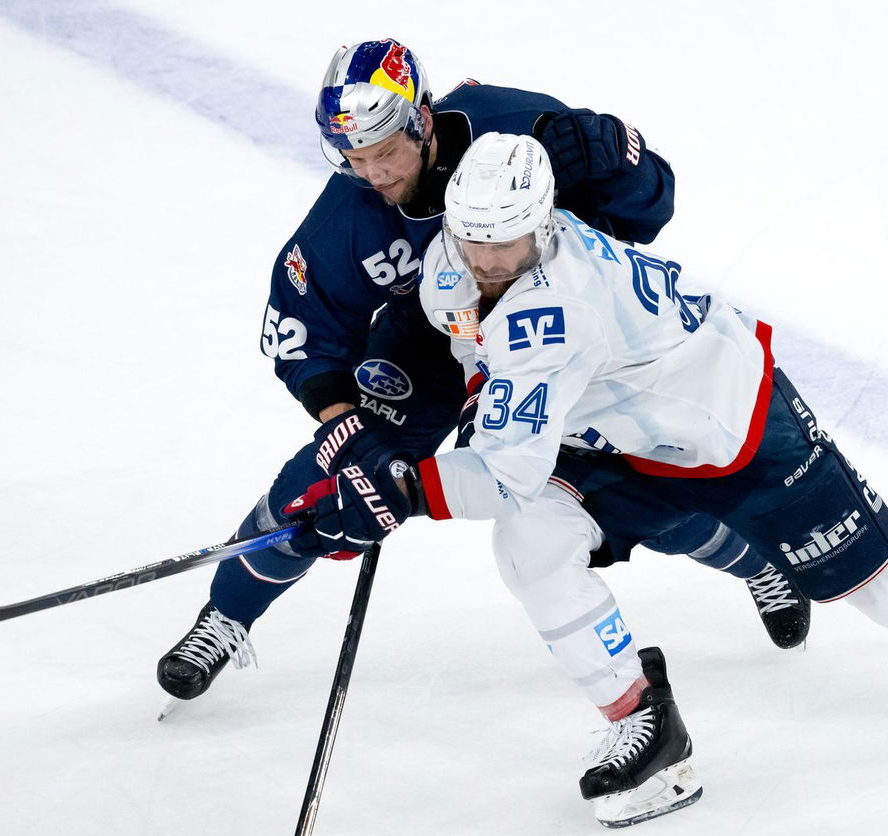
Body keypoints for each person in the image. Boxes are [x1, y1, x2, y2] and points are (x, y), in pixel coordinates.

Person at [290, 132, 888, 828]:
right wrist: (386, 450)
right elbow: (477, 367)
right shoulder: (460, 258)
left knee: (885, 587)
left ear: (545, 221)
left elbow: (506, 468)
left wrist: (399, 491)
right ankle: (644, 724)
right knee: (533, 544)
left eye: (504, 240)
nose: (484, 258)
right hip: (614, 437)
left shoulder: (558, 309)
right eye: (472, 237)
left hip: (735, 431)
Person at [158, 39, 810, 712]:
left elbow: (650, 211)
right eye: (355, 159)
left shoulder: (514, 131)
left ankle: (754, 561)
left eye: (385, 153)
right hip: (435, 342)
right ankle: (228, 614)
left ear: (423, 121)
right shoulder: (349, 215)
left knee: (625, 488)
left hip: (560, 340)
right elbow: (307, 340)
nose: (373, 174)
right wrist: (352, 437)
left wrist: (611, 157)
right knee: (322, 484)